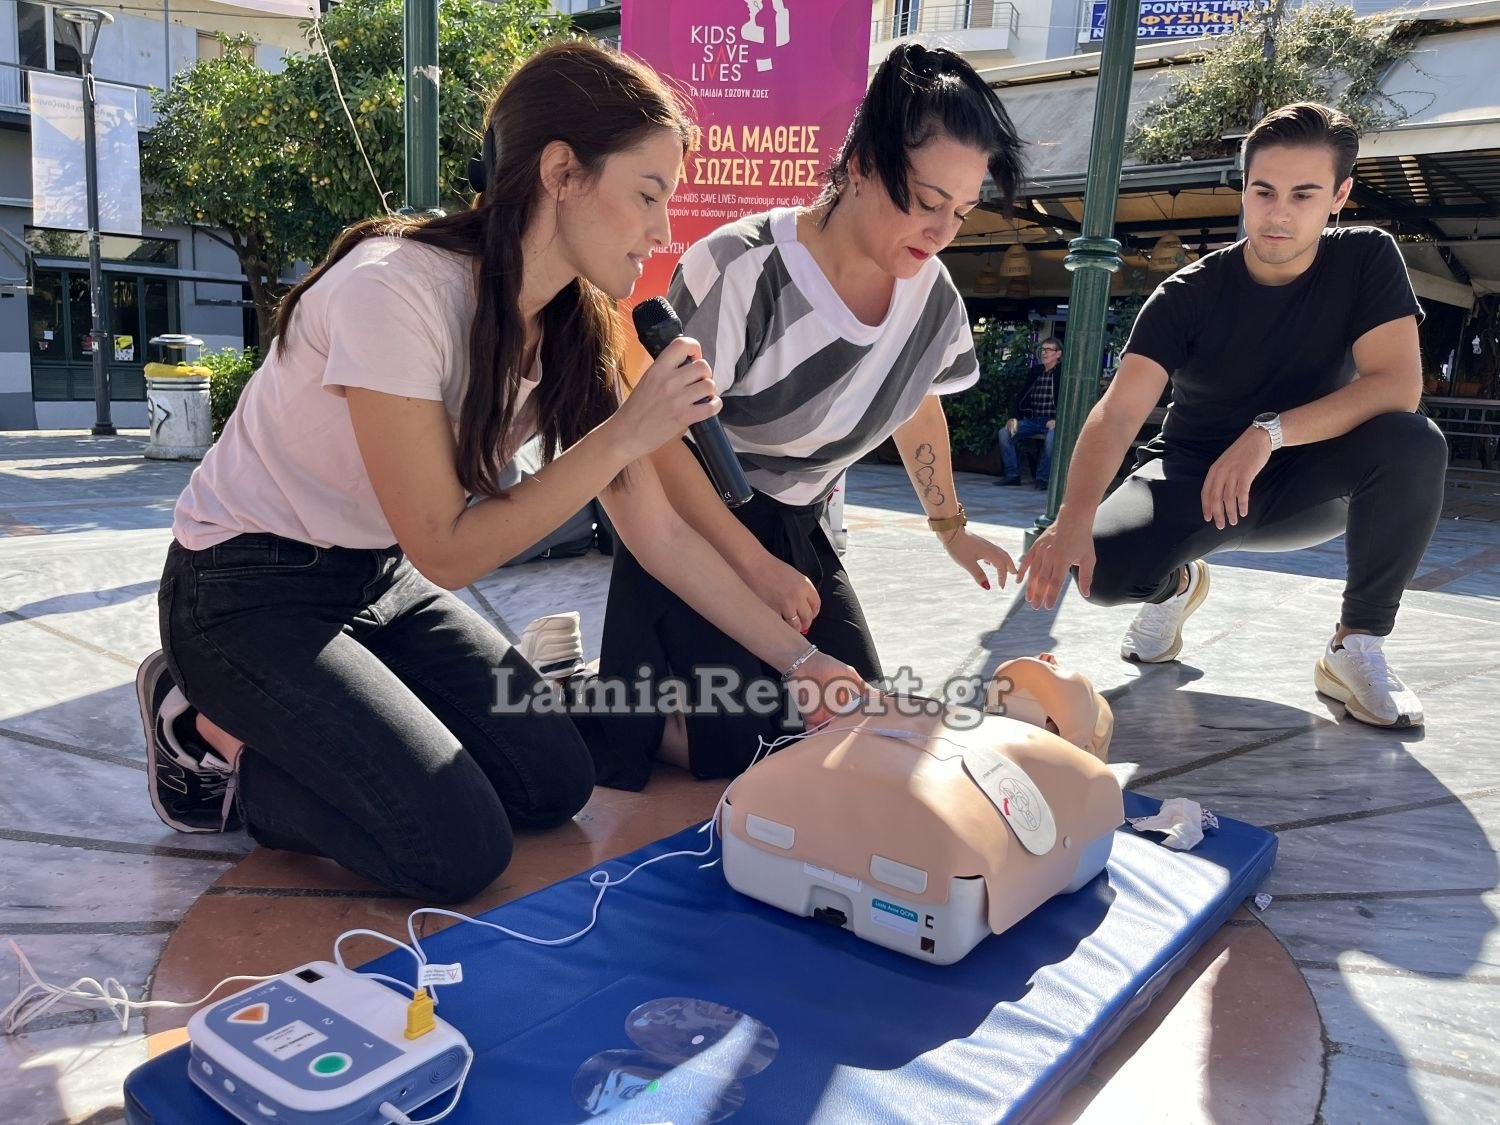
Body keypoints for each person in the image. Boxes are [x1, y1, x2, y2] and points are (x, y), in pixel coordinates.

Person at [135, 40, 863, 903]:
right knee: (453, 846)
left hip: (379, 580)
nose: (665, 231)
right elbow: (445, 546)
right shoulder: (395, 291)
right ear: (562, 171)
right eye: (648, 194)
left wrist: (803, 660)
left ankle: (344, 722)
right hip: (243, 592)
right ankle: (206, 738)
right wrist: (626, 433)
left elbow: (658, 534)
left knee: (553, 783)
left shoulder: (571, 331)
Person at [586, 43, 1026, 790]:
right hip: (691, 515)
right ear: (858, 164)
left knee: (857, 719)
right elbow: (658, 442)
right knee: (735, 745)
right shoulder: (744, 268)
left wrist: (951, 528)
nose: (943, 229)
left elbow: (917, 404)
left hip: (799, 525)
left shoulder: (932, 294)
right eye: (926, 201)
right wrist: (755, 566)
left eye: (962, 210)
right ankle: (597, 699)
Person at [1018, 102, 1447, 729]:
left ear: (1340, 195)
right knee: (1102, 572)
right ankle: (1175, 587)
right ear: (1242, 187)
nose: (1279, 213)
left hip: (1312, 480)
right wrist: (1070, 519)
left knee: (1413, 440)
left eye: (1304, 194)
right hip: (1194, 476)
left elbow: (1396, 386)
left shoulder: (1366, 259)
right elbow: (1118, 413)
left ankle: (1355, 644)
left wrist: (1269, 433)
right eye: (1263, 190)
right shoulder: (1186, 296)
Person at [997, 336, 1060, 489]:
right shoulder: (1035, 371)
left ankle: (1042, 479)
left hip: (1052, 421)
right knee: (1004, 433)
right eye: (1043, 350)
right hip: (1033, 420)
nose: (1044, 353)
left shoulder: (1062, 374)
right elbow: (1021, 395)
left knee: (1052, 437)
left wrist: (1058, 419)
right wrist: (1014, 417)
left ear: (1058, 354)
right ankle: (1012, 476)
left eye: (1048, 350)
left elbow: (1067, 399)